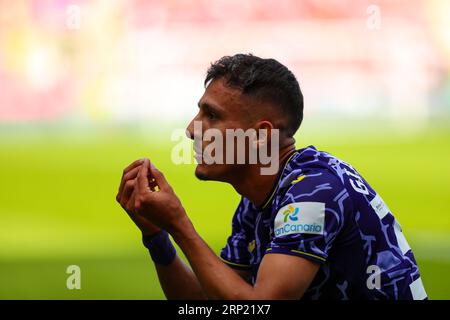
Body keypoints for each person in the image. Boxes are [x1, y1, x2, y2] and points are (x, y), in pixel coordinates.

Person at [115, 54, 427, 300]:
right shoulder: (258, 201)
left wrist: (180, 225)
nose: (191, 129)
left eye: (212, 116)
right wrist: (157, 236)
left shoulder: (314, 192)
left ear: (261, 136)